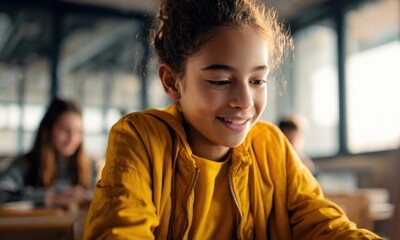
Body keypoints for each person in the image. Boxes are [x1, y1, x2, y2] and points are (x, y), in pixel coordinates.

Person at [84, 0, 382, 239]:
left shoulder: (272, 146)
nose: (245, 102)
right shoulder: (140, 137)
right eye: (221, 81)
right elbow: (119, 230)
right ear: (173, 82)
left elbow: (322, 222)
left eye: (258, 80)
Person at [0, 98, 93, 209]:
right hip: (35, 226)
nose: (72, 138)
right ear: (48, 131)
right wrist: (52, 198)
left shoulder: (90, 167)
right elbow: (2, 193)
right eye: (64, 130)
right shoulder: (26, 164)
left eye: (78, 132)